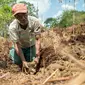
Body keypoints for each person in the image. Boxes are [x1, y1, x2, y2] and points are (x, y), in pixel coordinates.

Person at [8, 3, 43, 70]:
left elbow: (37, 39)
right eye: (19, 16)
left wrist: (37, 56)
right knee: (17, 61)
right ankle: (12, 52)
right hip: (20, 46)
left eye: (24, 14)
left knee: (32, 61)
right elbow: (17, 44)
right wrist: (23, 61)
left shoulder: (35, 21)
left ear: (27, 12)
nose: (23, 18)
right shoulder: (12, 27)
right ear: (15, 17)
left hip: (31, 45)